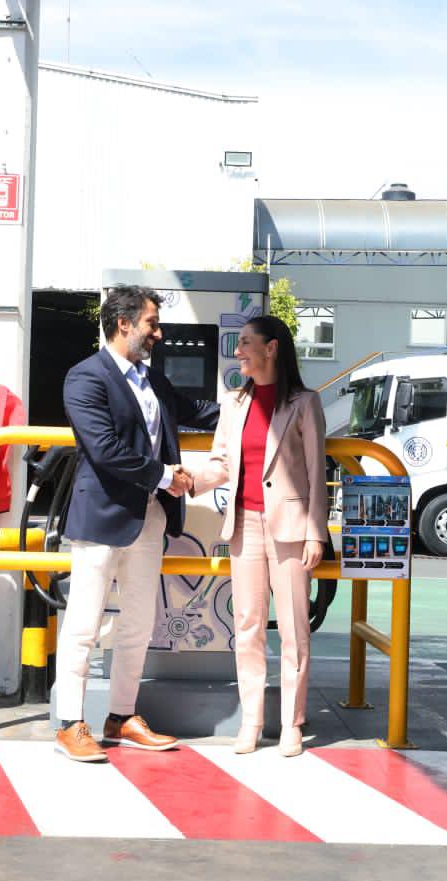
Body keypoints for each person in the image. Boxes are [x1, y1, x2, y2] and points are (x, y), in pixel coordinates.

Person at [52, 285, 219, 762]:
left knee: (139, 624)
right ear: (123, 324)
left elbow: (198, 412)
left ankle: (121, 717)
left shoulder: (154, 380)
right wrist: (167, 476)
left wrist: (255, 405)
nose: (158, 333)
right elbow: (104, 449)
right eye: (152, 323)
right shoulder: (86, 377)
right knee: (83, 625)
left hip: (150, 518)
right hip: (102, 519)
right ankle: (70, 725)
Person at [190, 315, 327, 756]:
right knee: (247, 626)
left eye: (246, 343)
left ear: (272, 348)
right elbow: (221, 463)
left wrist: (316, 533)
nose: (238, 351)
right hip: (244, 523)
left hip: (291, 527)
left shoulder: (305, 402)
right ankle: (251, 721)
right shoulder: (233, 403)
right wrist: (186, 482)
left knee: (293, 629)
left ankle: (292, 723)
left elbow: (316, 471)